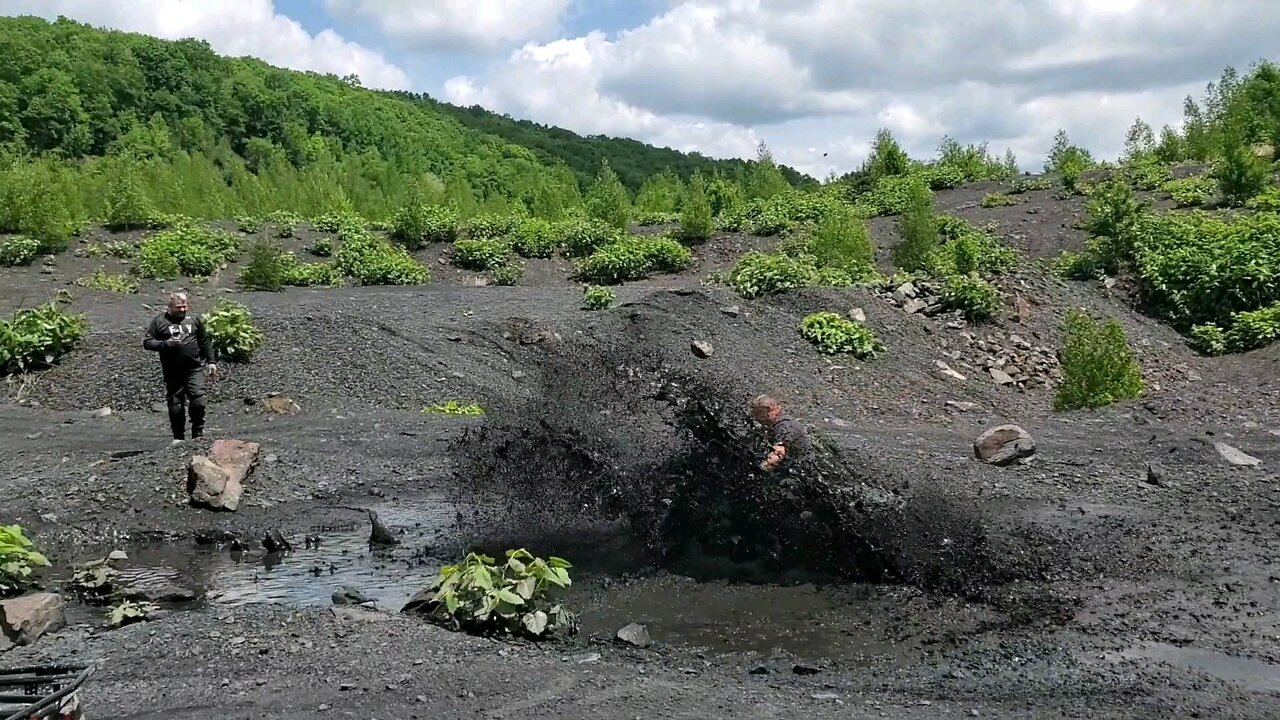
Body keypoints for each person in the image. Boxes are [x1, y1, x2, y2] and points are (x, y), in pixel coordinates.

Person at [143, 293, 217, 441]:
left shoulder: (194, 319)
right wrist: (166, 344)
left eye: (185, 306)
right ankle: (178, 437)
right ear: (170, 307)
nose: (183, 309)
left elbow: (204, 340)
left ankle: (198, 433)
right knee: (176, 404)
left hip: (194, 367)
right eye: (179, 307)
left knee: (198, 400)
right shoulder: (160, 322)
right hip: (172, 370)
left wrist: (211, 361)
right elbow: (147, 342)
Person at [748, 394, 811, 472]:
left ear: (769, 410)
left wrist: (760, 468)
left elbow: (778, 453)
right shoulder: (781, 424)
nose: (755, 417)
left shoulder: (784, 427)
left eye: (758, 414)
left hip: (802, 469)